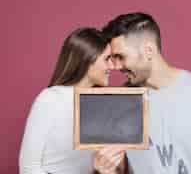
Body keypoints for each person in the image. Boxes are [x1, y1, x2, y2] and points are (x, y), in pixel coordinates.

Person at [101, 13, 191, 173]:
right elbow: (119, 167)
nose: (116, 66)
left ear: (148, 50)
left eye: (120, 57)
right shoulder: (119, 101)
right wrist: (104, 168)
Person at [19, 27, 125, 174]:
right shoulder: (50, 99)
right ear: (88, 59)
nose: (113, 66)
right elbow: (28, 167)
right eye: (107, 59)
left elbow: (111, 165)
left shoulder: (103, 103)